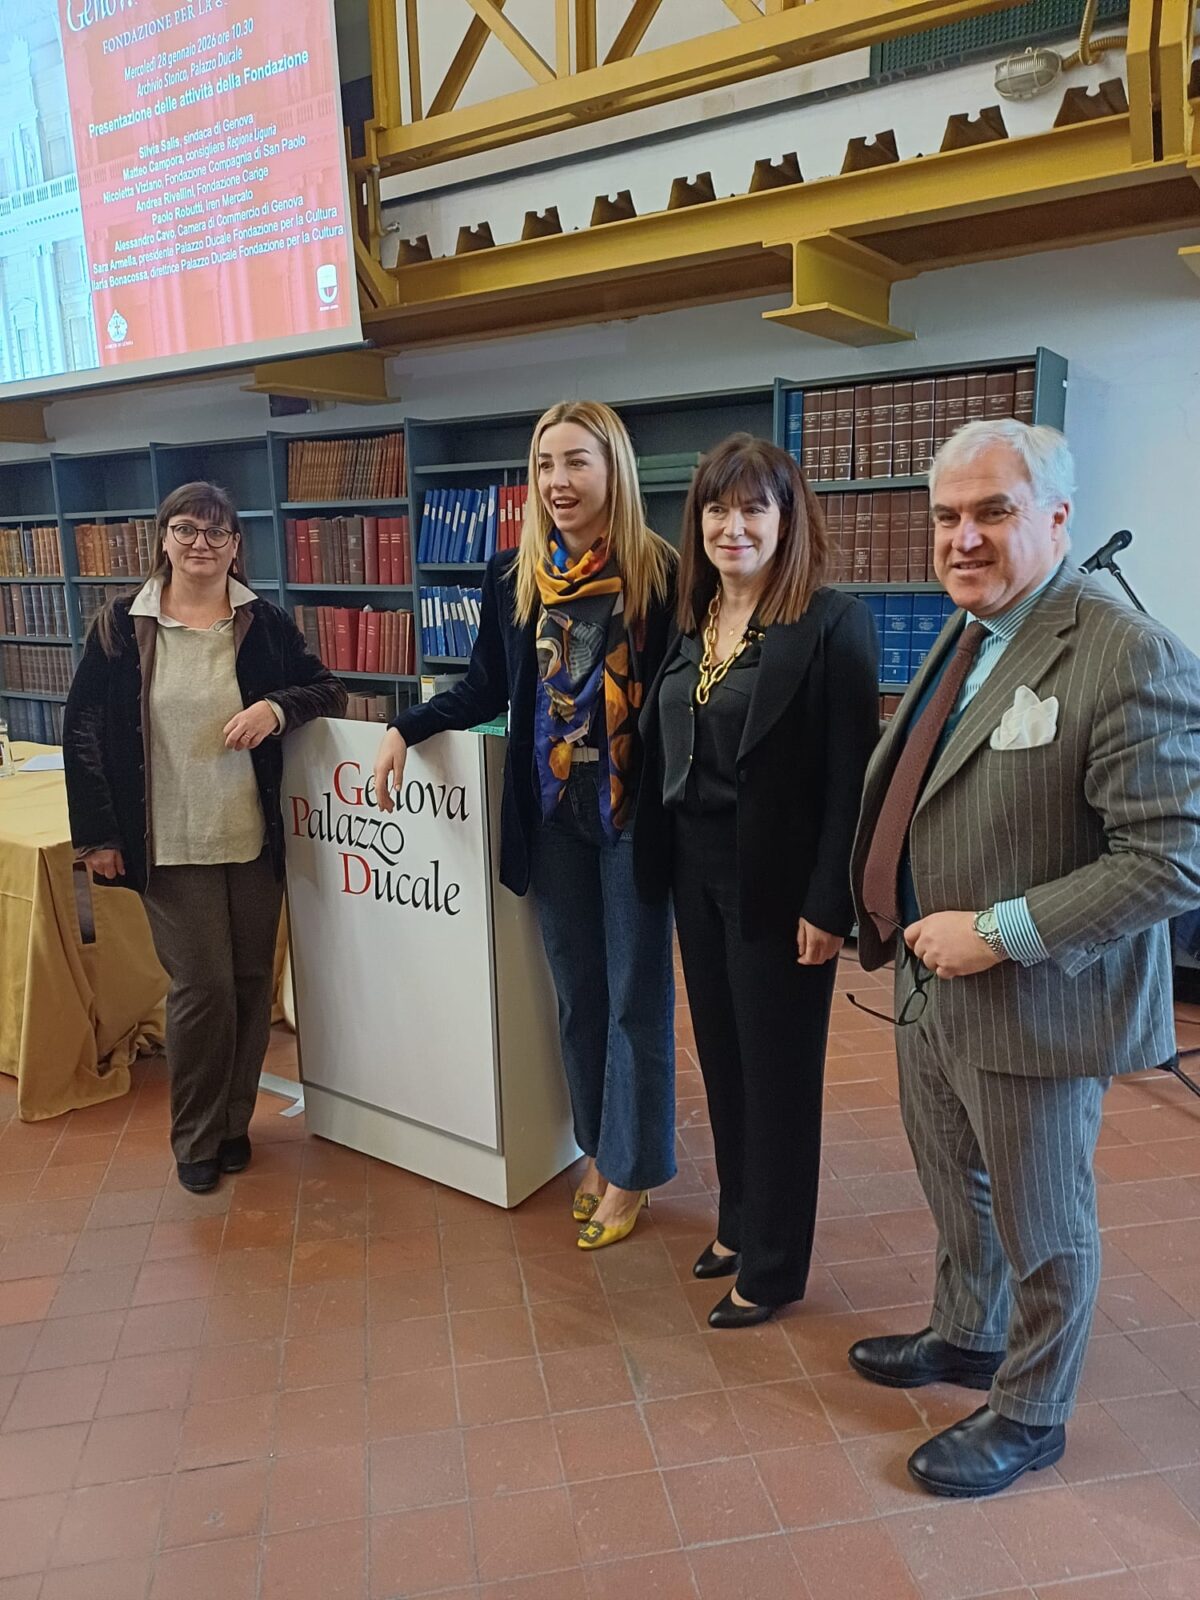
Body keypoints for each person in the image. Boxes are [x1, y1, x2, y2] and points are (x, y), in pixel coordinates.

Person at [846, 419, 1200, 1497]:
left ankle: (1034, 1411)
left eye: (992, 512)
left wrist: (995, 931)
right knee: (953, 1179)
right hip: (928, 982)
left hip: (1035, 995)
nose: (963, 538)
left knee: (1044, 1221)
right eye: (948, 516)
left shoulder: (1126, 652)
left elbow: (1170, 861)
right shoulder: (971, 629)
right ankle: (967, 1332)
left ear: (1057, 517)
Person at [373, 401, 677, 1248]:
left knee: (635, 996)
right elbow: (484, 687)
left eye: (576, 461)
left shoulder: (661, 573)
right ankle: (600, 1149)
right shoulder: (514, 575)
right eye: (545, 464)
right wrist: (406, 725)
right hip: (550, 812)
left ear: (613, 469)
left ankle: (633, 1172)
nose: (558, 481)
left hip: (631, 810)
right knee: (579, 994)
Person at [635, 435, 879, 1327]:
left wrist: (829, 902)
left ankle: (773, 1266)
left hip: (779, 884)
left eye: (752, 509)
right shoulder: (689, 620)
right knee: (726, 1061)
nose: (731, 527)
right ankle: (739, 1223)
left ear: (786, 518)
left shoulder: (831, 623)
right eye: (716, 509)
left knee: (779, 1075)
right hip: (694, 870)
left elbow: (852, 776)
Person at [64, 482, 346, 1193]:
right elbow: (83, 733)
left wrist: (275, 709)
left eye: (216, 533)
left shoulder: (263, 622)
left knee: (250, 984)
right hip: (167, 843)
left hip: (251, 838)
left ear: (235, 546)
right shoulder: (119, 626)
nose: (200, 544)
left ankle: (232, 1125)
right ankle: (194, 1135)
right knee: (202, 988)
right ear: (163, 538)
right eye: (186, 529)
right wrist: (98, 835)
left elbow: (326, 688)